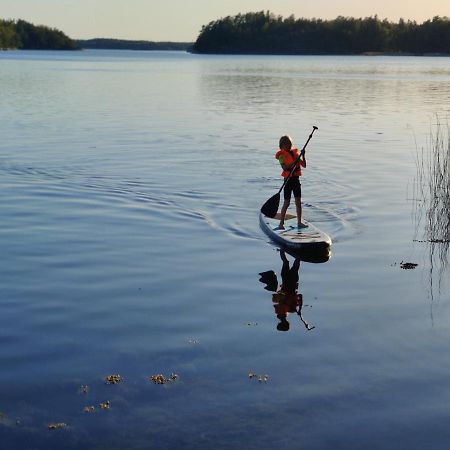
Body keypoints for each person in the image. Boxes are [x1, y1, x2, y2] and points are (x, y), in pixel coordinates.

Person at [275, 135, 307, 229]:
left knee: (298, 202)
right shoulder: (281, 156)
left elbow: (304, 165)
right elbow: (284, 168)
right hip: (288, 181)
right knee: (286, 203)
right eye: (286, 144)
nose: (288, 145)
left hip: (296, 180)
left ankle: (299, 222)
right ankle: (281, 224)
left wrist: (303, 155)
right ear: (281, 145)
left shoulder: (295, 154)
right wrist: (294, 162)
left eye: (289, 143)